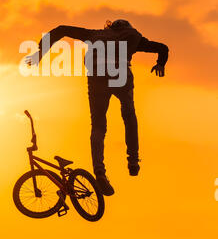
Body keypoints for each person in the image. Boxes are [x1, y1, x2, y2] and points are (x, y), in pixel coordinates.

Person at [26, 19, 169, 196]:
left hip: (97, 76)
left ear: (109, 28)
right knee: (129, 115)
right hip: (120, 75)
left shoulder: (94, 34)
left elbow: (62, 29)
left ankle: (99, 171)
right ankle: (133, 162)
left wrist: (41, 51)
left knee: (99, 126)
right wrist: (161, 63)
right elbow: (163, 48)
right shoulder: (132, 36)